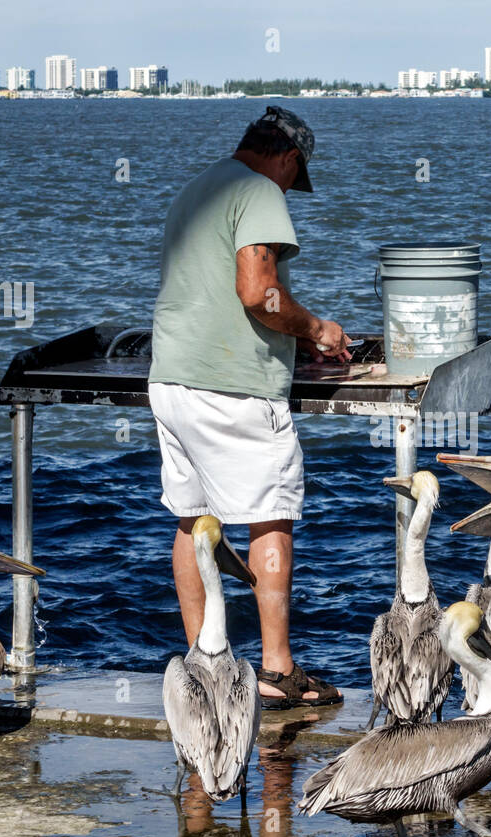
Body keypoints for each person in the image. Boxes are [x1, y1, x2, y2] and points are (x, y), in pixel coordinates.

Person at [148, 106, 349, 709]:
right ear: (287, 158)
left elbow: (214, 291)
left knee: (191, 519)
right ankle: (277, 672)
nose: (290, 189)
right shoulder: (260, 190)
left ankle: (204, 665)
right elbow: (257, 293)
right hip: (231, 388)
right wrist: (316, 329)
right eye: (294, 176)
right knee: (271, 517)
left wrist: (294, 334)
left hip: (172, 380)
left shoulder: (198, 189)